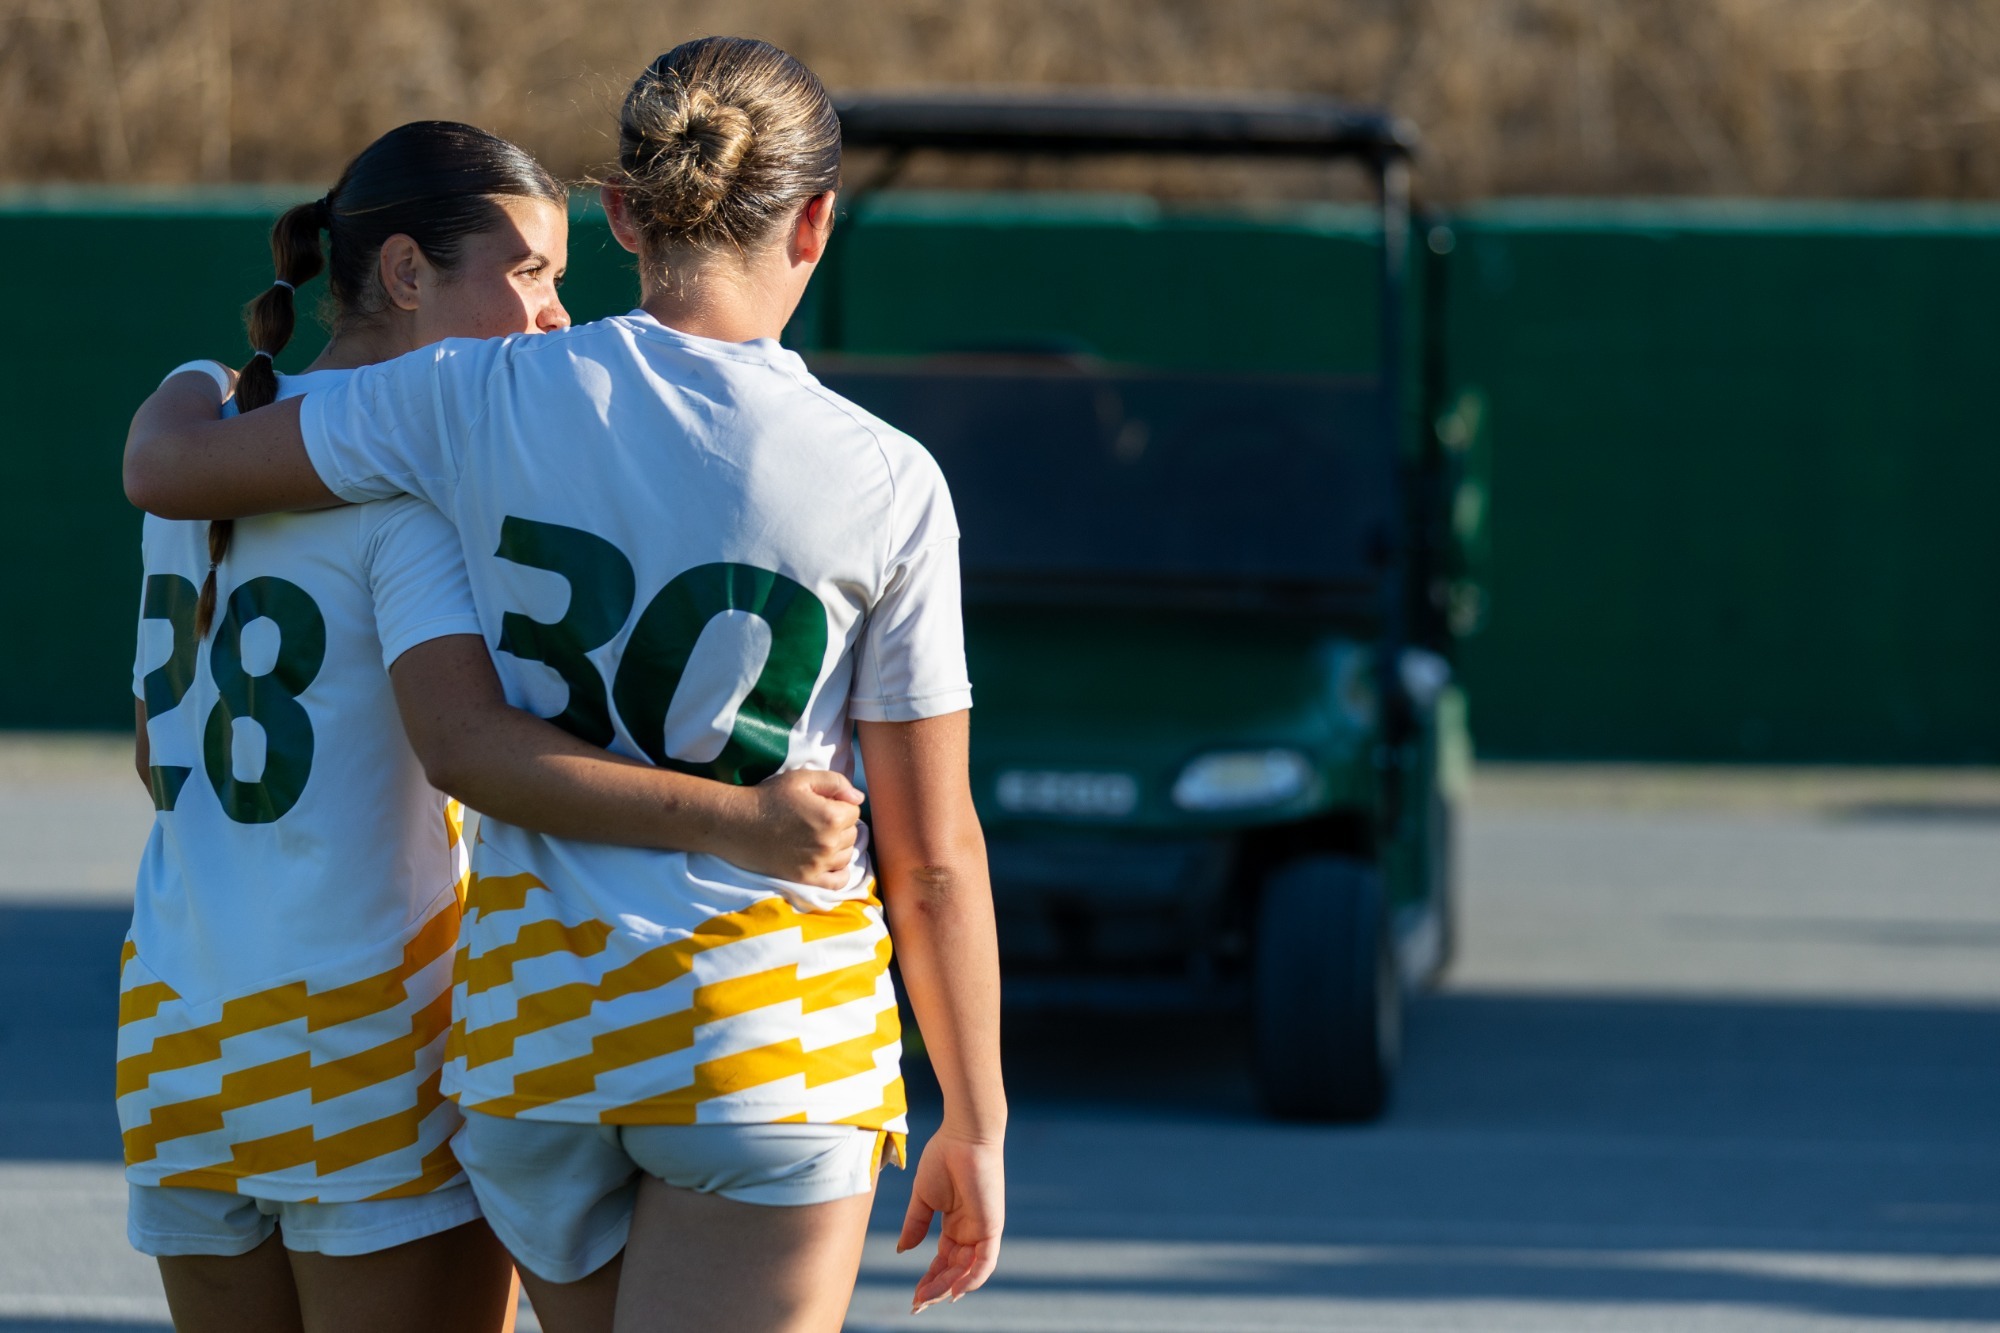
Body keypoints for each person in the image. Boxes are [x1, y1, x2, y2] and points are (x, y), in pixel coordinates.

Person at [126, 37, 1005, 1333]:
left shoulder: (437, 397)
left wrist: (185, 398)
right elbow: (931, 857)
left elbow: (173, 474)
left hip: (464, 1043)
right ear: (816, 218)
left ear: (622, 212)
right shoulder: (880, 476)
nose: (548, 303)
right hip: (710, 1033)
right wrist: (973, 1113)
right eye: (529, 274)